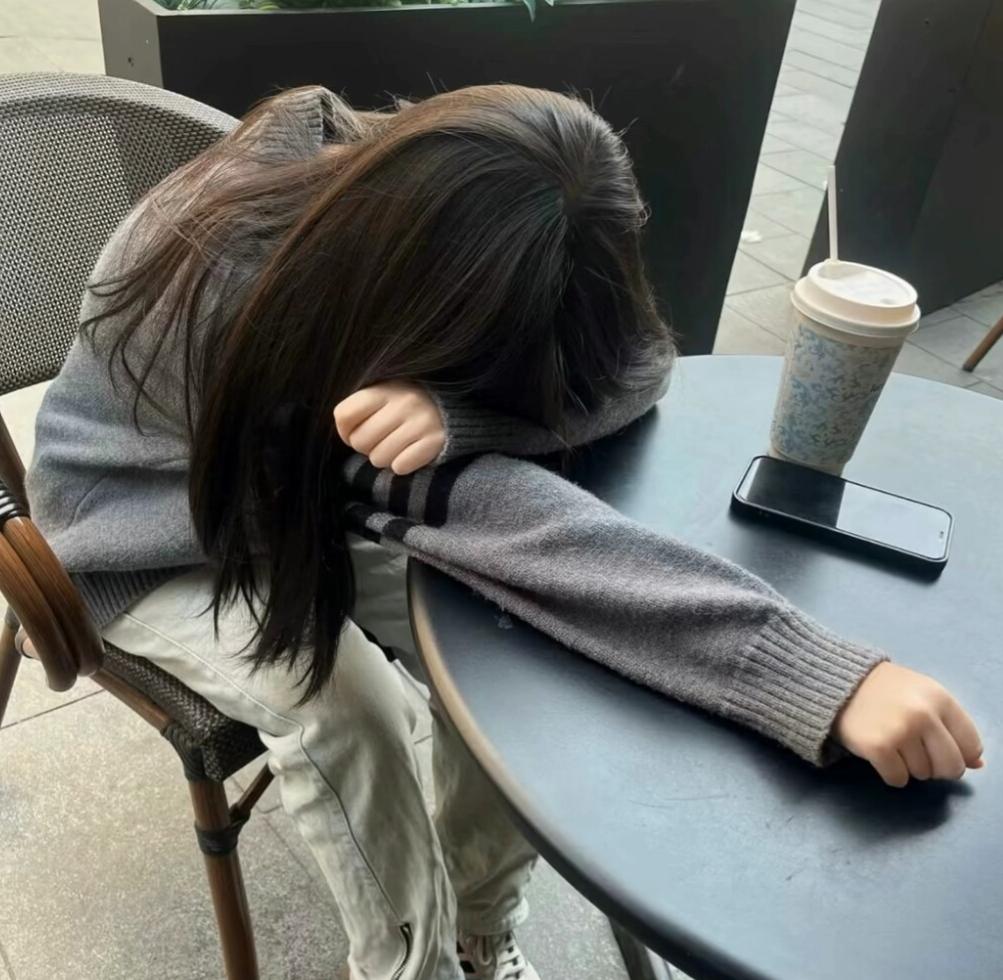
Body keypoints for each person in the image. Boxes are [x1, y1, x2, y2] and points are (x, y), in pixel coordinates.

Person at [26, 84, 983, 980]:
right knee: (344, 709)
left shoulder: (470, 203)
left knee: (504, 649)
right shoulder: (239, 288)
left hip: (297, 501)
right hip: (143, 534)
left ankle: (479, 931)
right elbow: (510, 526)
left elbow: (634, 362)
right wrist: (812, 676)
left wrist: (460, 415)